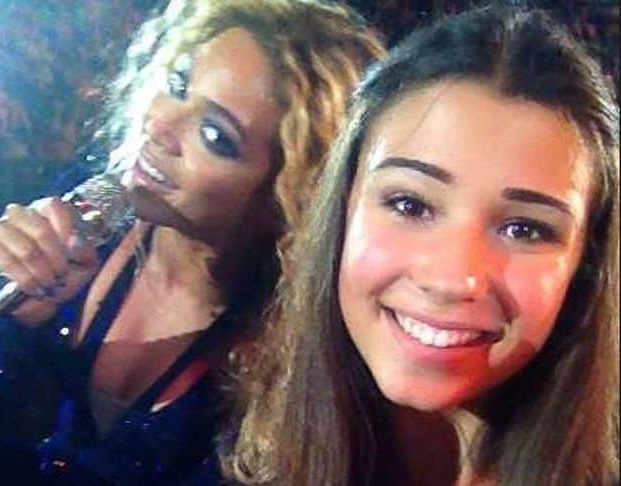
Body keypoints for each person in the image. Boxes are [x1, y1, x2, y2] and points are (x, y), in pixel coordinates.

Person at [0, 0, 384, 484]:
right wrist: (13, 319)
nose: (159, 126)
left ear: (290, 194)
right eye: (177, 85)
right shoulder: (86, 214)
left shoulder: (287, 364)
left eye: (214, 135)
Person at [228, 6, 619, 486]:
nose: (452, 280)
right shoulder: (245, 434)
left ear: (586, 263)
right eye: (410, 205)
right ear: (344, 205)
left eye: (524, 230)